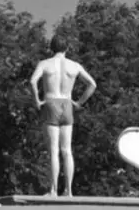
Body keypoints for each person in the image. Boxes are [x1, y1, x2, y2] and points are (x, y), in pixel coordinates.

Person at [30, 34, 97, 197]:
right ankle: (69, 190)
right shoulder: (74, 65)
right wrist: (79, 102)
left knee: (53, 150)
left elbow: (32, 81)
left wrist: (37, 100)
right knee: (67, 150)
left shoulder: (45, 64)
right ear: (67, 48)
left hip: (51, 102)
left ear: (51, 47)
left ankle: (53, 190)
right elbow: (92, 84)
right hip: (67, 104)